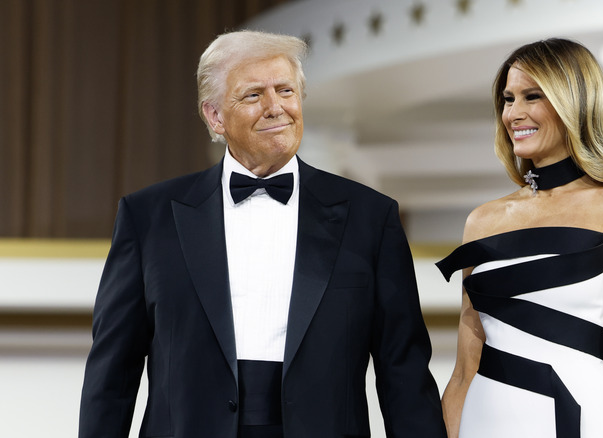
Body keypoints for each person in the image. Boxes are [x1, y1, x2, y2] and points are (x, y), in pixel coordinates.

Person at [79, 30, 446, 438]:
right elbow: (112, 372)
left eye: (285, 90)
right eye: (253, 95)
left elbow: (405, 373)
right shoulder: (147, 217)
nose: (276, 108)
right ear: (215, 116)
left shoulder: (371, 217)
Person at [436, 38, 603, 437]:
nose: (513, 114)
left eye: (531, 96)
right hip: (484, 419)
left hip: (584, 414)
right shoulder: (483, 220)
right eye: (508, 99)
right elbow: (463, 371)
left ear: (574, 101)